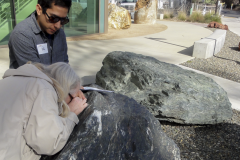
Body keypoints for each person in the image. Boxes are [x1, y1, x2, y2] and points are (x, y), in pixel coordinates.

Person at [0, 62, 88, 159]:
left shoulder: (11, 80)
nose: (74, 101)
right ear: (66, 89)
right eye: (73, 98)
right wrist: (71, 115)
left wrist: (73, 91)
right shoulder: (44, 89)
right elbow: (48, 143)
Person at [9, 0, 71, 69]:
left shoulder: (60, 33)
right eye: (53, 18)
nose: (58, 26)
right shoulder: (22, 34)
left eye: (63, 20)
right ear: (39, 9)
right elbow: (36, 74)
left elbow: (65, 65)